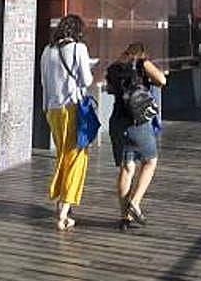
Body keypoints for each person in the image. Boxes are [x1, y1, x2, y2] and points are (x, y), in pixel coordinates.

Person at [39, 13, 94, 230]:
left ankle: (62, 202)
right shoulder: (79, 49)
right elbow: (87, 80)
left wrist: (45, 108)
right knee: (76, 157)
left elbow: (44, 83)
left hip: (52, 110)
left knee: (62, 156)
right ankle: (63, 212)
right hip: (72, 109)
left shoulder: (47, 51)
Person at [105, 43, 167, 231]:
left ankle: (125, 217)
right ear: (141, 53)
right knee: (150, 161)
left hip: (117, 122)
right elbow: (162, 80)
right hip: (138, 123)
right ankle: (135, 202)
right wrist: (145, 64)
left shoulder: (114, 67)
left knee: (127, 168)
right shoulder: (141, 63)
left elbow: (109, 89)